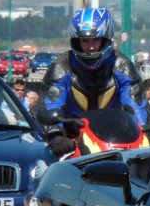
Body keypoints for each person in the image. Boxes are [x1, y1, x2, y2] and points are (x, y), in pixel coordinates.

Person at [44, 8, 142, 156]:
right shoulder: (61, 68)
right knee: (43, 168)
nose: (90, 47)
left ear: (106, 39)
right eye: (85, 41)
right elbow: (52, 105)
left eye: (96, 40)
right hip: (72, 145)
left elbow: (136, 107)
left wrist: (144, 130)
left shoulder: (123, 67)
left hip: (115, 144)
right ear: (76, 41)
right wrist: (55, 136)